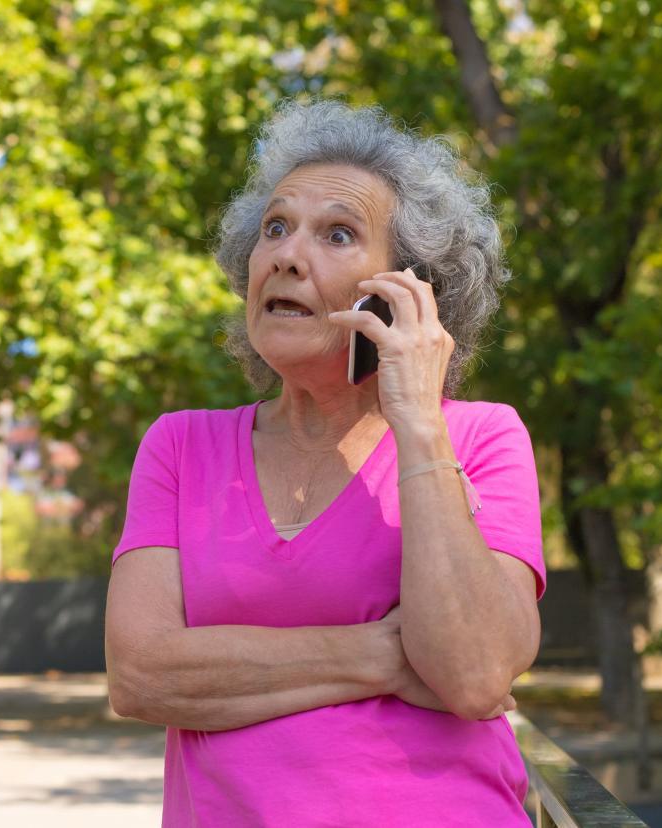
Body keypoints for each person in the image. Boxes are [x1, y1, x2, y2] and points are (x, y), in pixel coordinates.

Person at [104, 98, 545, 827]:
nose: (285, 254)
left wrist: (417, 425)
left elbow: (472, 674)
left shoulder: (481, 438)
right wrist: (384, 656)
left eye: (337, 234)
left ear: (408, 292)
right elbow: (142, 674)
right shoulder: (180, 446)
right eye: (275, 228)